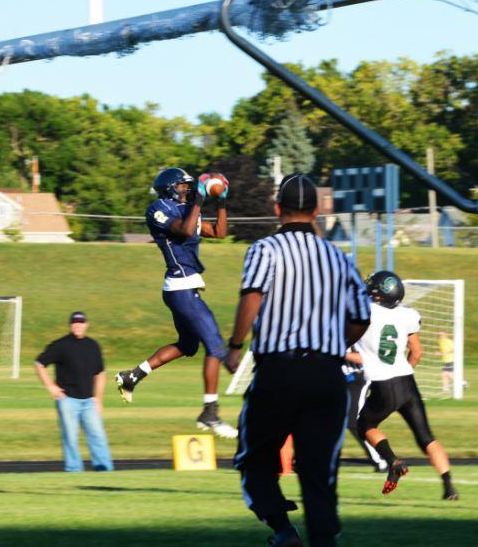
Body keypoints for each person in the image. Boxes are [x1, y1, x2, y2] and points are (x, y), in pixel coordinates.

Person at [225, 173, 371, 547]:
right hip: (326, 375)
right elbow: (361, 317)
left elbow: (253, 296)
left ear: (278, 210)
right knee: (318, 470)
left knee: (253, 456)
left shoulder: (265, 250)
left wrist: (236, 344)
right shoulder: (339, 258)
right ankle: (324, 540)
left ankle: (282, 528)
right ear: (318, 210)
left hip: (278, 371)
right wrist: (334, 343)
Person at [115, 168, 237, 439]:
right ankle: (210, 412)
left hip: (184, 287)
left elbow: (219, 232)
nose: (188, 190)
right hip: (181, 287)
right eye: (183, 186)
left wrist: (222, 201)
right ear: (170, 188)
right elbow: (182, 230)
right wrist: (200, 201)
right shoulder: (158, 208)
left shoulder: (188, 208)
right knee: (216, 346)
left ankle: (132, 376)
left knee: (188, 345)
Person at [355, 270, 459, 501]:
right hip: (407, 380)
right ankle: (449, 486)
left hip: (384, 384)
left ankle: (393, 461)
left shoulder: (365, 311)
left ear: (379, 294)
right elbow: (417, 352)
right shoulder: (407, 315)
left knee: (365, 425)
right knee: (426, 437)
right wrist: (404, 370)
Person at [34, 311, 114, 472]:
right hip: (68, 400)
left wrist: (98, 398)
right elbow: (39, 363)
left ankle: (104, 469)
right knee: (70, 438)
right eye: (75, 322)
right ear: (70, 325)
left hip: (89, 401)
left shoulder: (93, 345)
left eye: (81, 322)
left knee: (98, 436)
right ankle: (73, 470)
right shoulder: (60, 345)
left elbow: (100, 373)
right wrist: (51, 386)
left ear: (86, 324)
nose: (78, 325)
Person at [343, 346, 388, 472]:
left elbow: (364, 358)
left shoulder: (355, 330)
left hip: (357, 379)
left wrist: (338, 352)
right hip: (338, 380)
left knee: (354, 423)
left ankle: (380, 459)